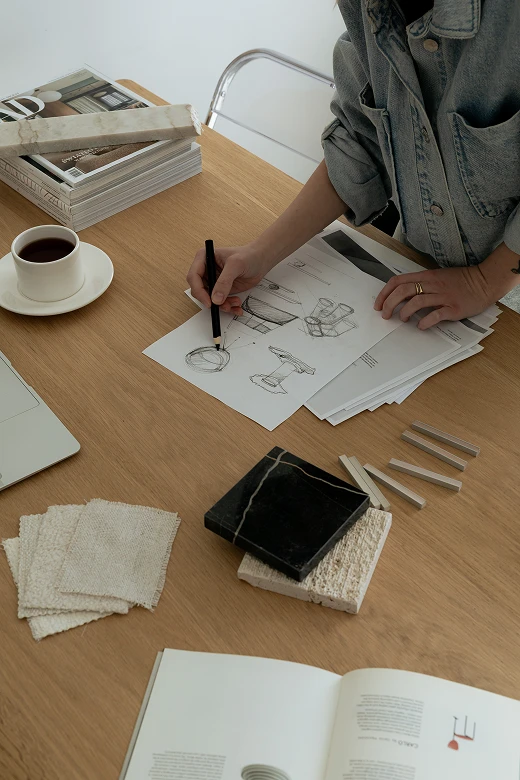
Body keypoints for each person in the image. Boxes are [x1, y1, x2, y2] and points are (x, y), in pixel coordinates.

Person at [188, 0, 520, 330]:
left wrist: (484, 281)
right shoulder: (367, 7)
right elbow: (361, 141)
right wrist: (260, 253)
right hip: (425, 275)